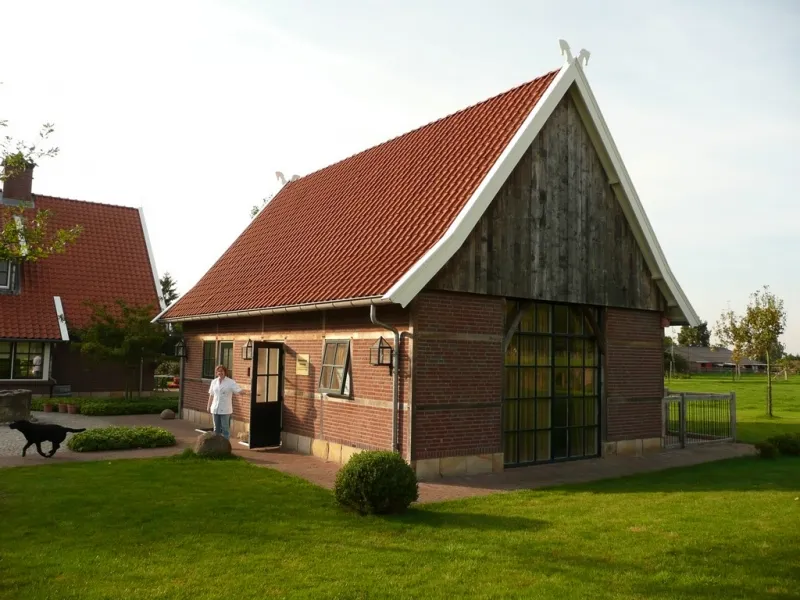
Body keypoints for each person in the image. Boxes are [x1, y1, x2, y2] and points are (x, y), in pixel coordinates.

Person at [207, 365, 242, 440]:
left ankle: (226, 445)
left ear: (225, 372)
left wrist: (246, 392)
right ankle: (217, 444)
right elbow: (211, 395)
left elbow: (238, 390)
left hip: (225, 409)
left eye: (222, 371)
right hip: (215, 408)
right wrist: (208, 406)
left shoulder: (230, 382)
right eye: (218, 371)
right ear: (216, 373)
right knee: (216, 429)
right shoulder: (214, 382)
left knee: (225, 429)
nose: (220, 372)